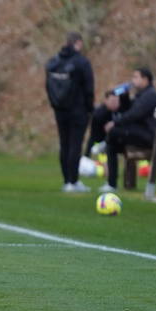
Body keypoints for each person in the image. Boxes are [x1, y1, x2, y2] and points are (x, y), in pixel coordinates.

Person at [45, 31, 95, 192]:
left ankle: (66, 180)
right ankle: (73, 181)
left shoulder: (54, 62)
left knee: (64, 144)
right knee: (75, 144)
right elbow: (89, 88)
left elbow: (48, 86)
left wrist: (55, 103)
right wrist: (89, 107)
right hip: (78, 109)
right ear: (78, 43)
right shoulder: (81, 63)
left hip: (60, 109)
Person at [100, 68, 156, 192]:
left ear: (145, 79)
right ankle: (112, 183)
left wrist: (115, 123)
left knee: (113, 133)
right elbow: (127, 109)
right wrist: (124, 96)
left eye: (136, 77)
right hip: (136, 133)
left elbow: (135, 114)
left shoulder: (151, 95)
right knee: (112, 143)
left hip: (147, 135)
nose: (133, 80)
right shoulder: (140, 95)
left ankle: (112, 183)